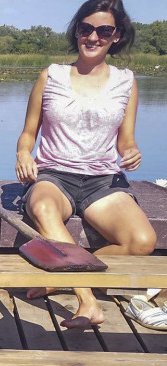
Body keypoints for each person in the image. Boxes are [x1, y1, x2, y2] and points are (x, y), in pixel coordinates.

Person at [15, 0, 156, 328]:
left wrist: (133, 151)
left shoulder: (126, 81)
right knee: (45, 209)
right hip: (54, 176)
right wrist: (23, 155)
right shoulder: (51, 75)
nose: (93, 37)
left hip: (103, 180)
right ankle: (88, 301)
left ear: (116, 36)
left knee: (142, 241)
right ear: (76, 31)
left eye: (104, 30)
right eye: (86, 28)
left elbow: (126, 140)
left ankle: (62, 275)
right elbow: (27, 134)